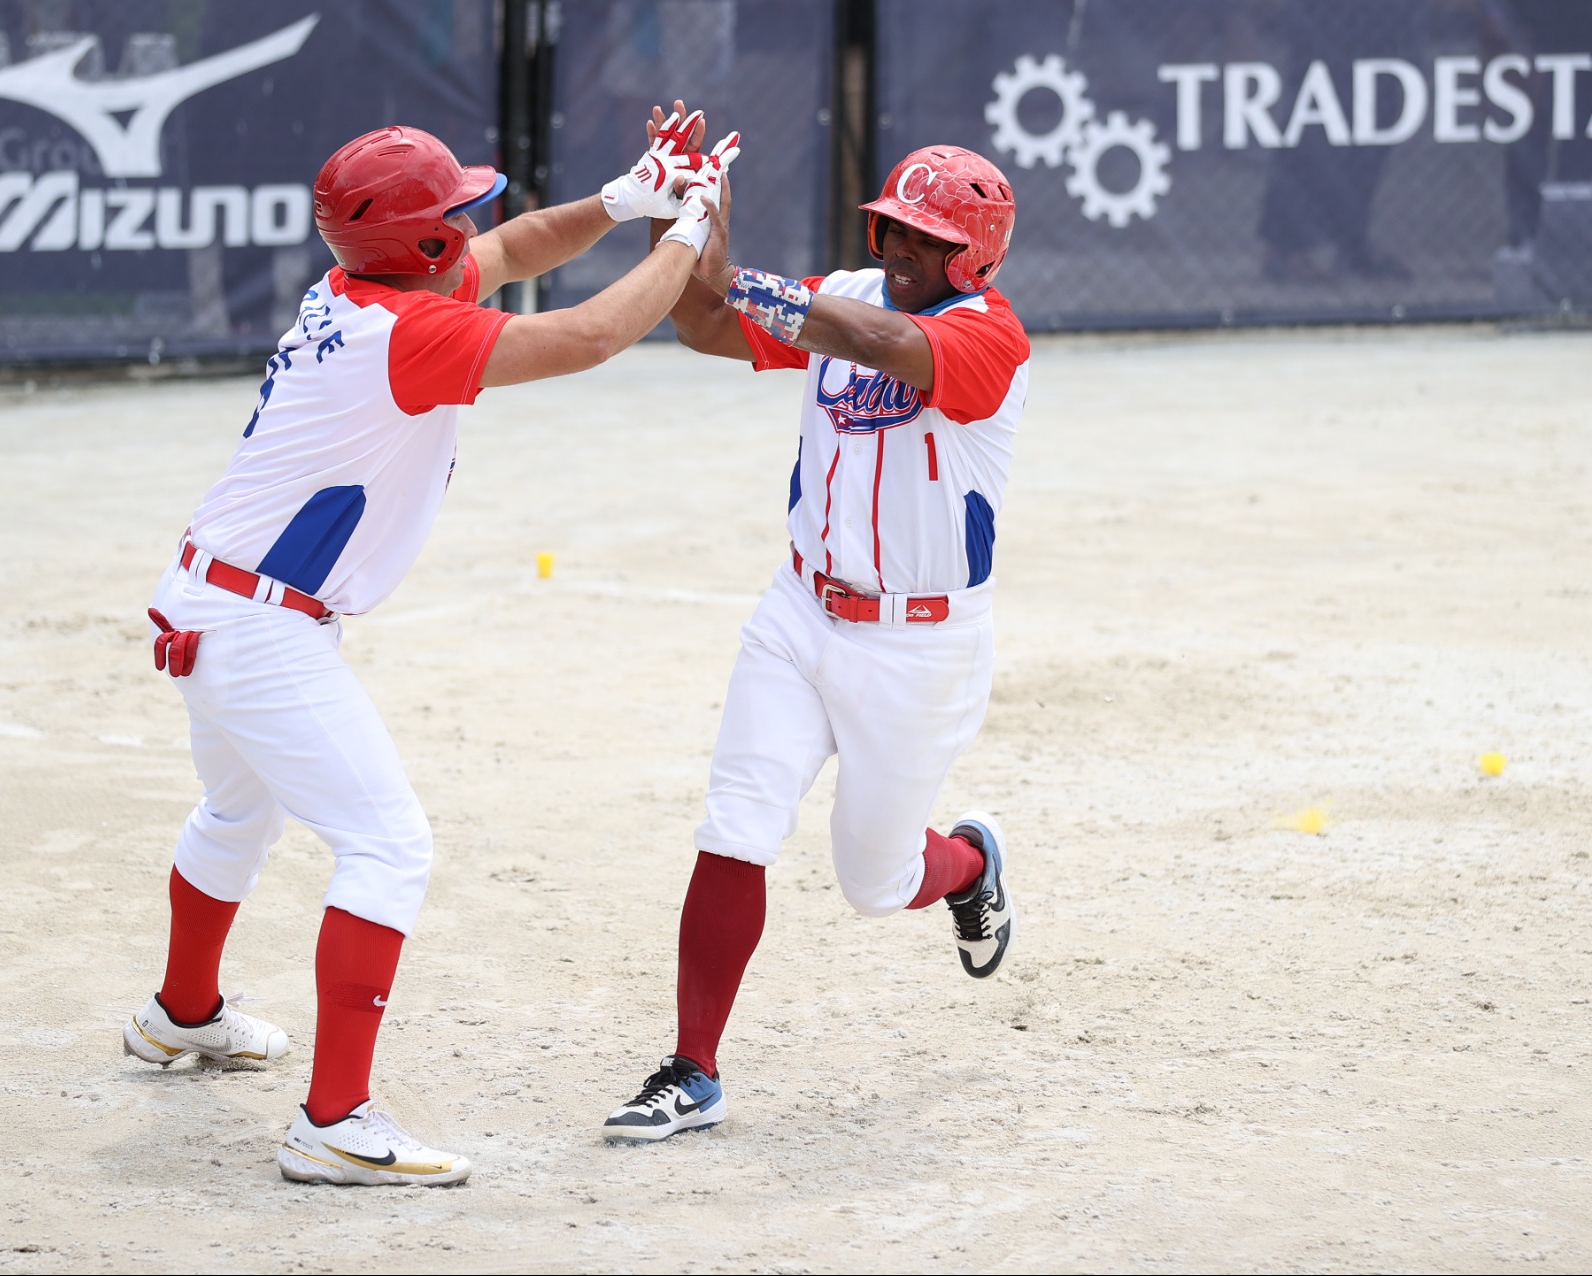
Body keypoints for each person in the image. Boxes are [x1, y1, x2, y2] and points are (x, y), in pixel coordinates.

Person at [120, 111, 739, 1186]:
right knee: (389, 848)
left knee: (236, 811)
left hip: (212, 601)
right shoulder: (408, 333)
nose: (472, 220)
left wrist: (623, 198)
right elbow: (589, 336)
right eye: (452, 210)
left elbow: (511, 250)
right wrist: (686, 229)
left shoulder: (362, 294)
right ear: (419, 244)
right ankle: (333, 1119)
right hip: (261, 628)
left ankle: (181, 1016)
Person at [602, 143, 1031, 1143]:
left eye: (931, 239)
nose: (903, 249)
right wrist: (701, 217)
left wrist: (739, 277)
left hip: (918, 649)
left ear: (976, 258)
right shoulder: (842, 294)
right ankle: (692, 1067)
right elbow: (707, 323)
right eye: (892, 228)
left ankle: (968, 867)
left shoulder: (988, 339)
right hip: (800, 614)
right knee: (736, 822)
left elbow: (884, 342)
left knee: (874, 883)